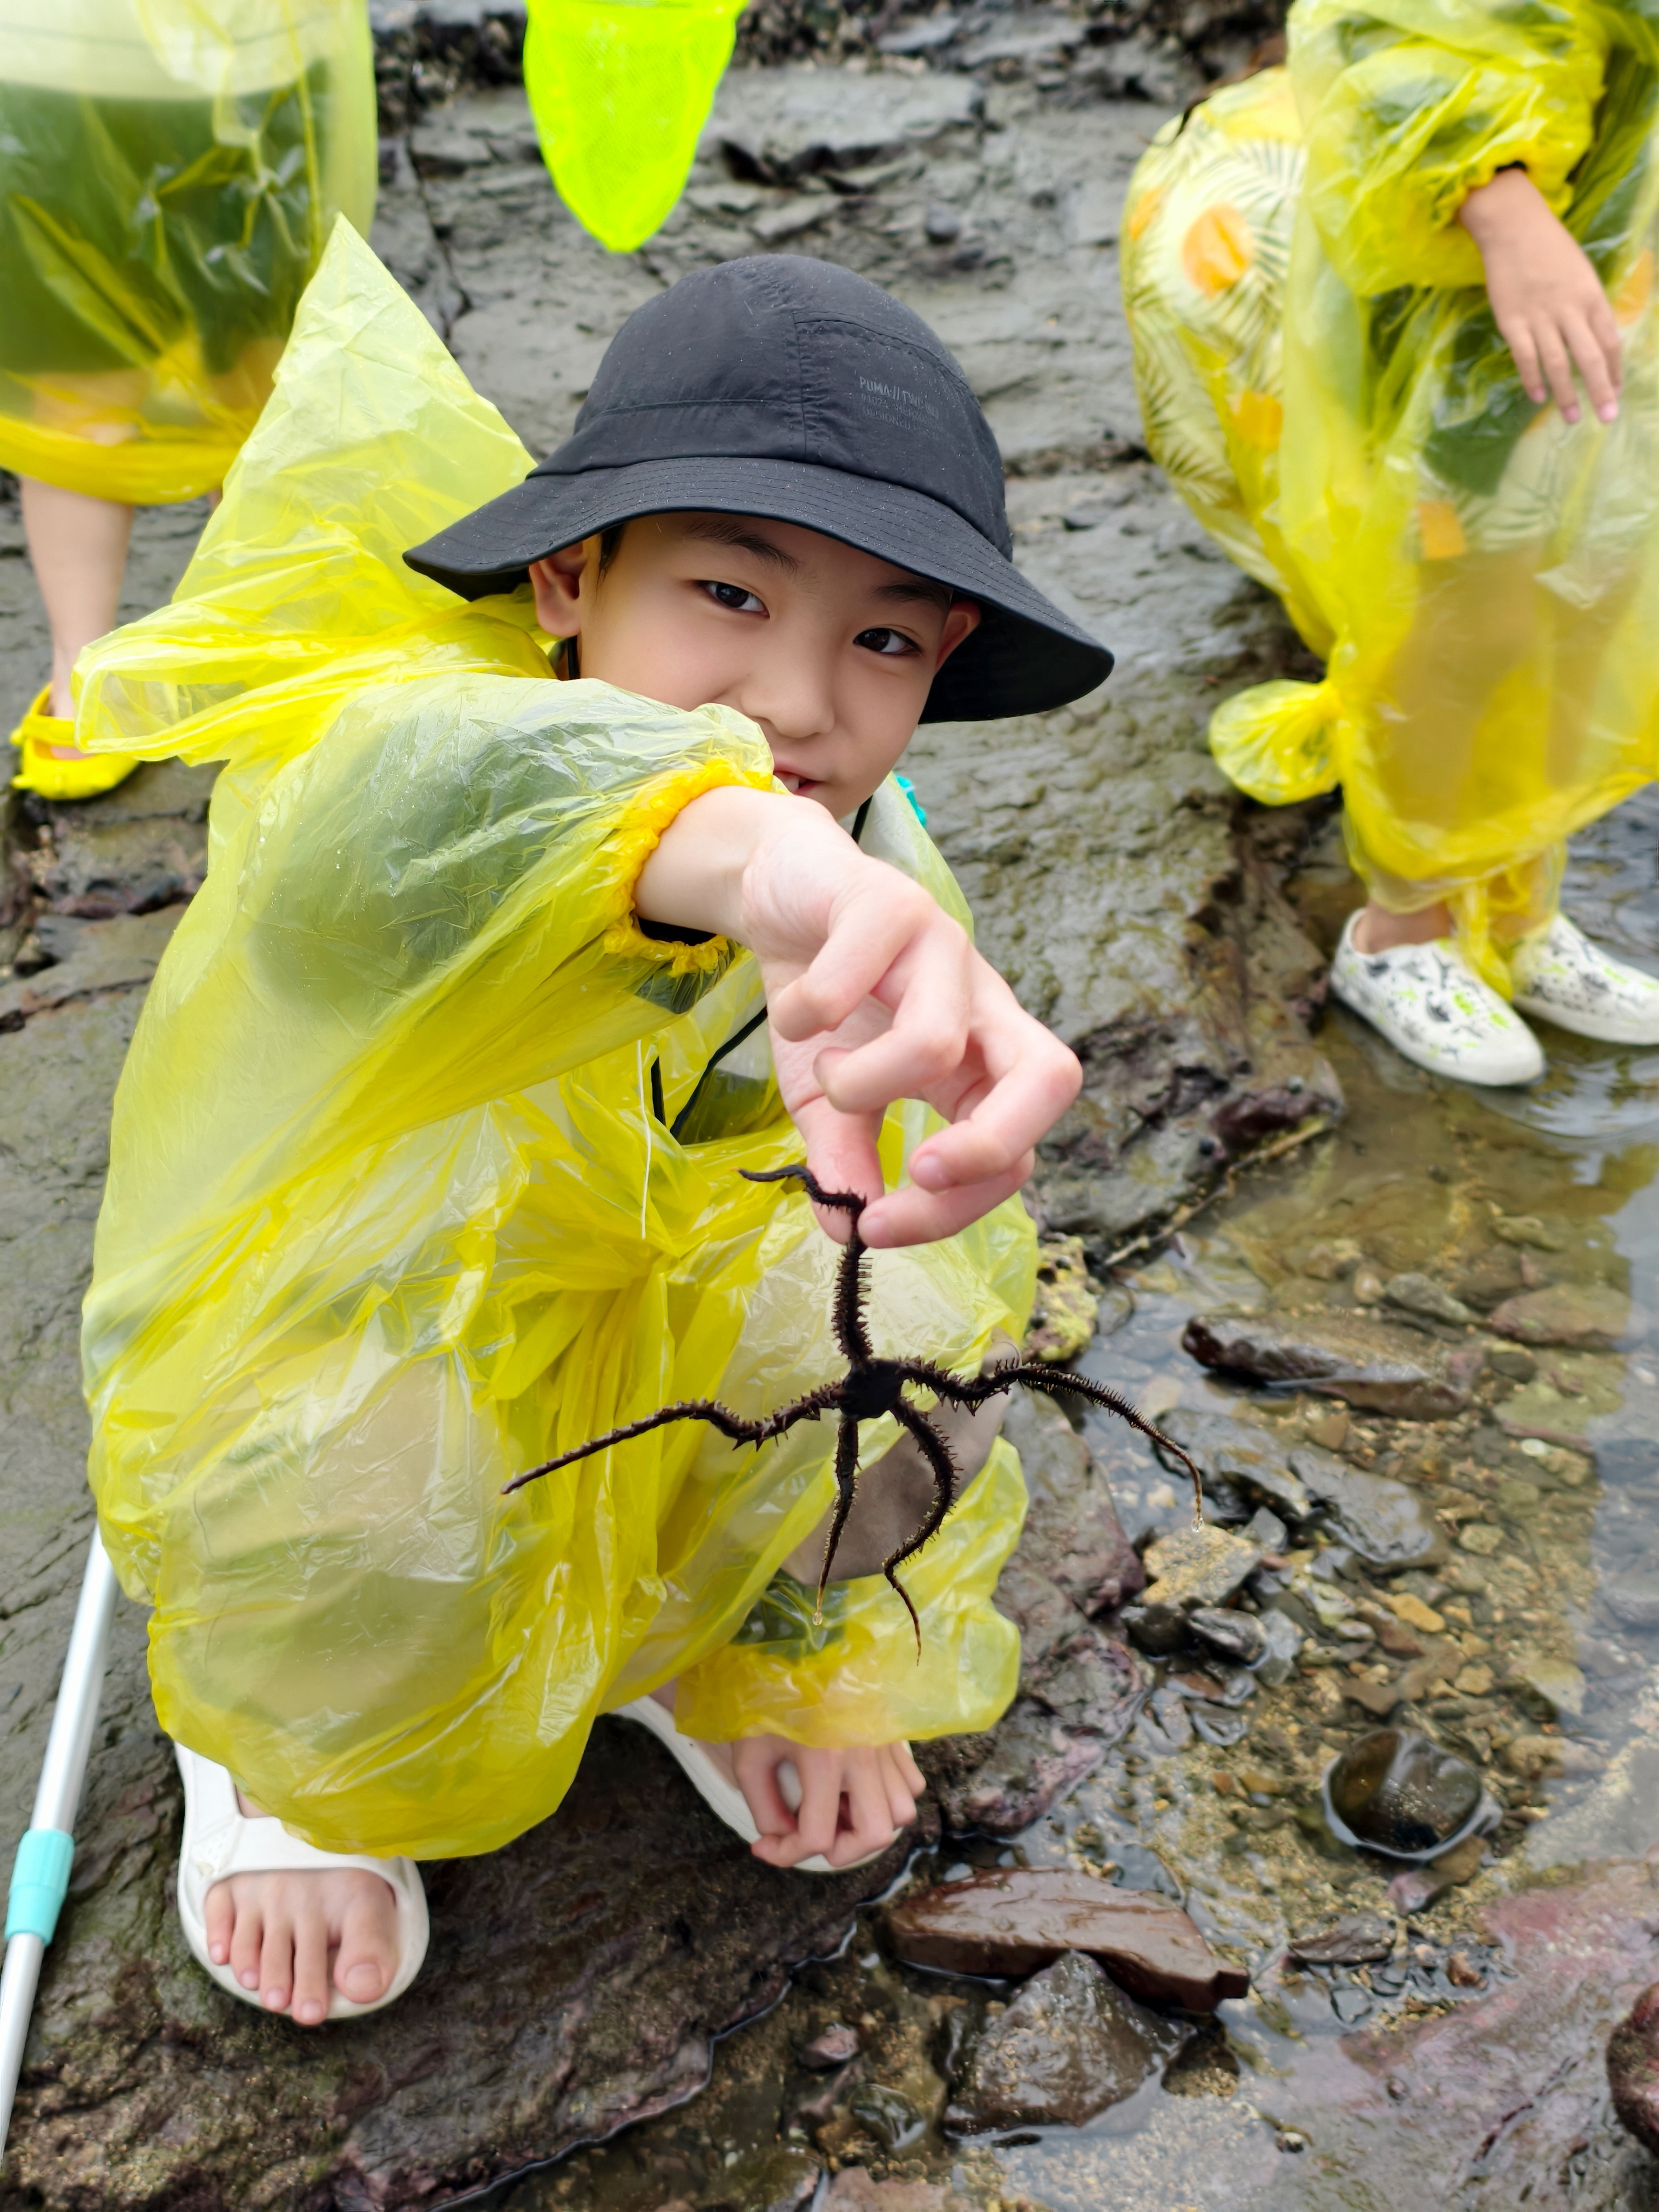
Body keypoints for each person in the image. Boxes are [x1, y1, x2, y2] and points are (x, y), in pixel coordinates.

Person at [72, 230, 1112, 2025]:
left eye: (879, 638)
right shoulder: (383, 750)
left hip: (616, 1353)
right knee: (386, 1467)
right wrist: (755, 851)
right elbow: (455, 805)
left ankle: (705, 1636)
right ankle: (290, 1754)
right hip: (354, 1338)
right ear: (566, 576)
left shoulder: (872, 852)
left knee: (919, 1330)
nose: (795, 700)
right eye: (728, 593)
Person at [1121, 0, 1659, 1084]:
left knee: (1589, 589)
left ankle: (1514, 913)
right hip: (1465, 285)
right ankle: (1400, 931)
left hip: (1612, 262)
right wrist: (1496, 198)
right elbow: (1398, 28)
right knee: (1468, 611)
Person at [1, 0, 375, 800]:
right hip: (72, 55)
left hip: (224, 49)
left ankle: (258, 641)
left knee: (255, 364)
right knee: (87, 371)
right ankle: (96, 664)